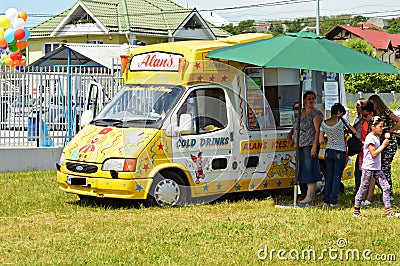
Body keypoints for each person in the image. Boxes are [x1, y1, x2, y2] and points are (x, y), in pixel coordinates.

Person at [353, 116, 400, 218]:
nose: (381, 129)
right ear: (372, 127)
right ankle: (356, 211)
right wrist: (383, 146)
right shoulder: (370, 138)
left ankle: (389, 211)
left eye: (382, 126)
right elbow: (373, 154)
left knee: (386, 187)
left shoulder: (377, 137)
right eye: (380, 126)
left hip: (376, 168)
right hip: (369, 168)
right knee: (363, 188)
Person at [287, 91, 323, 203]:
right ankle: (306, 193)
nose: (311, 100)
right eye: (308, 98)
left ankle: (310, 195)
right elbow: (296, 125)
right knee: (303, 168)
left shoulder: (316, 114)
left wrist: (314, 147)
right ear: (304, 100)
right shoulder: (301, 112)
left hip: (309, 144)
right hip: (300, 144)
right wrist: (290, 134)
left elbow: (318, 131)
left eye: (313, 98)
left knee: (310, 169)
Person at [319, 103, 356, 207]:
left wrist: (328, 137)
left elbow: (321, 140)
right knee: (336, 177)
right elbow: (354, 131)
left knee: (329, 176)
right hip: (340, 151)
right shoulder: (341, 121)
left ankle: (326, 200)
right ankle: (333, 201)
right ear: (339, 112)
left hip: (328, 151)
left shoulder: (324, 123)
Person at [368, 94, 400, 200]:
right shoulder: (374, 113)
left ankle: (388, 193)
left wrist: (389, 131)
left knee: (385, 167)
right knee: (380, 167)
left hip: (389, 142)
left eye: (372, 104)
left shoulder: (385, 112)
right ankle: (385, 190)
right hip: (380, 143)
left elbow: (398, 121)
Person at [352, 98, 367, 194]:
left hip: (367, 146)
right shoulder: (357, 119)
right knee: (358, 171)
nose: (357, 107)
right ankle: (358, 190)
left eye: (359, 105)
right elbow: (354, 130)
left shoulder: (370, 118)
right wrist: (361, 119)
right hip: (359, 147)